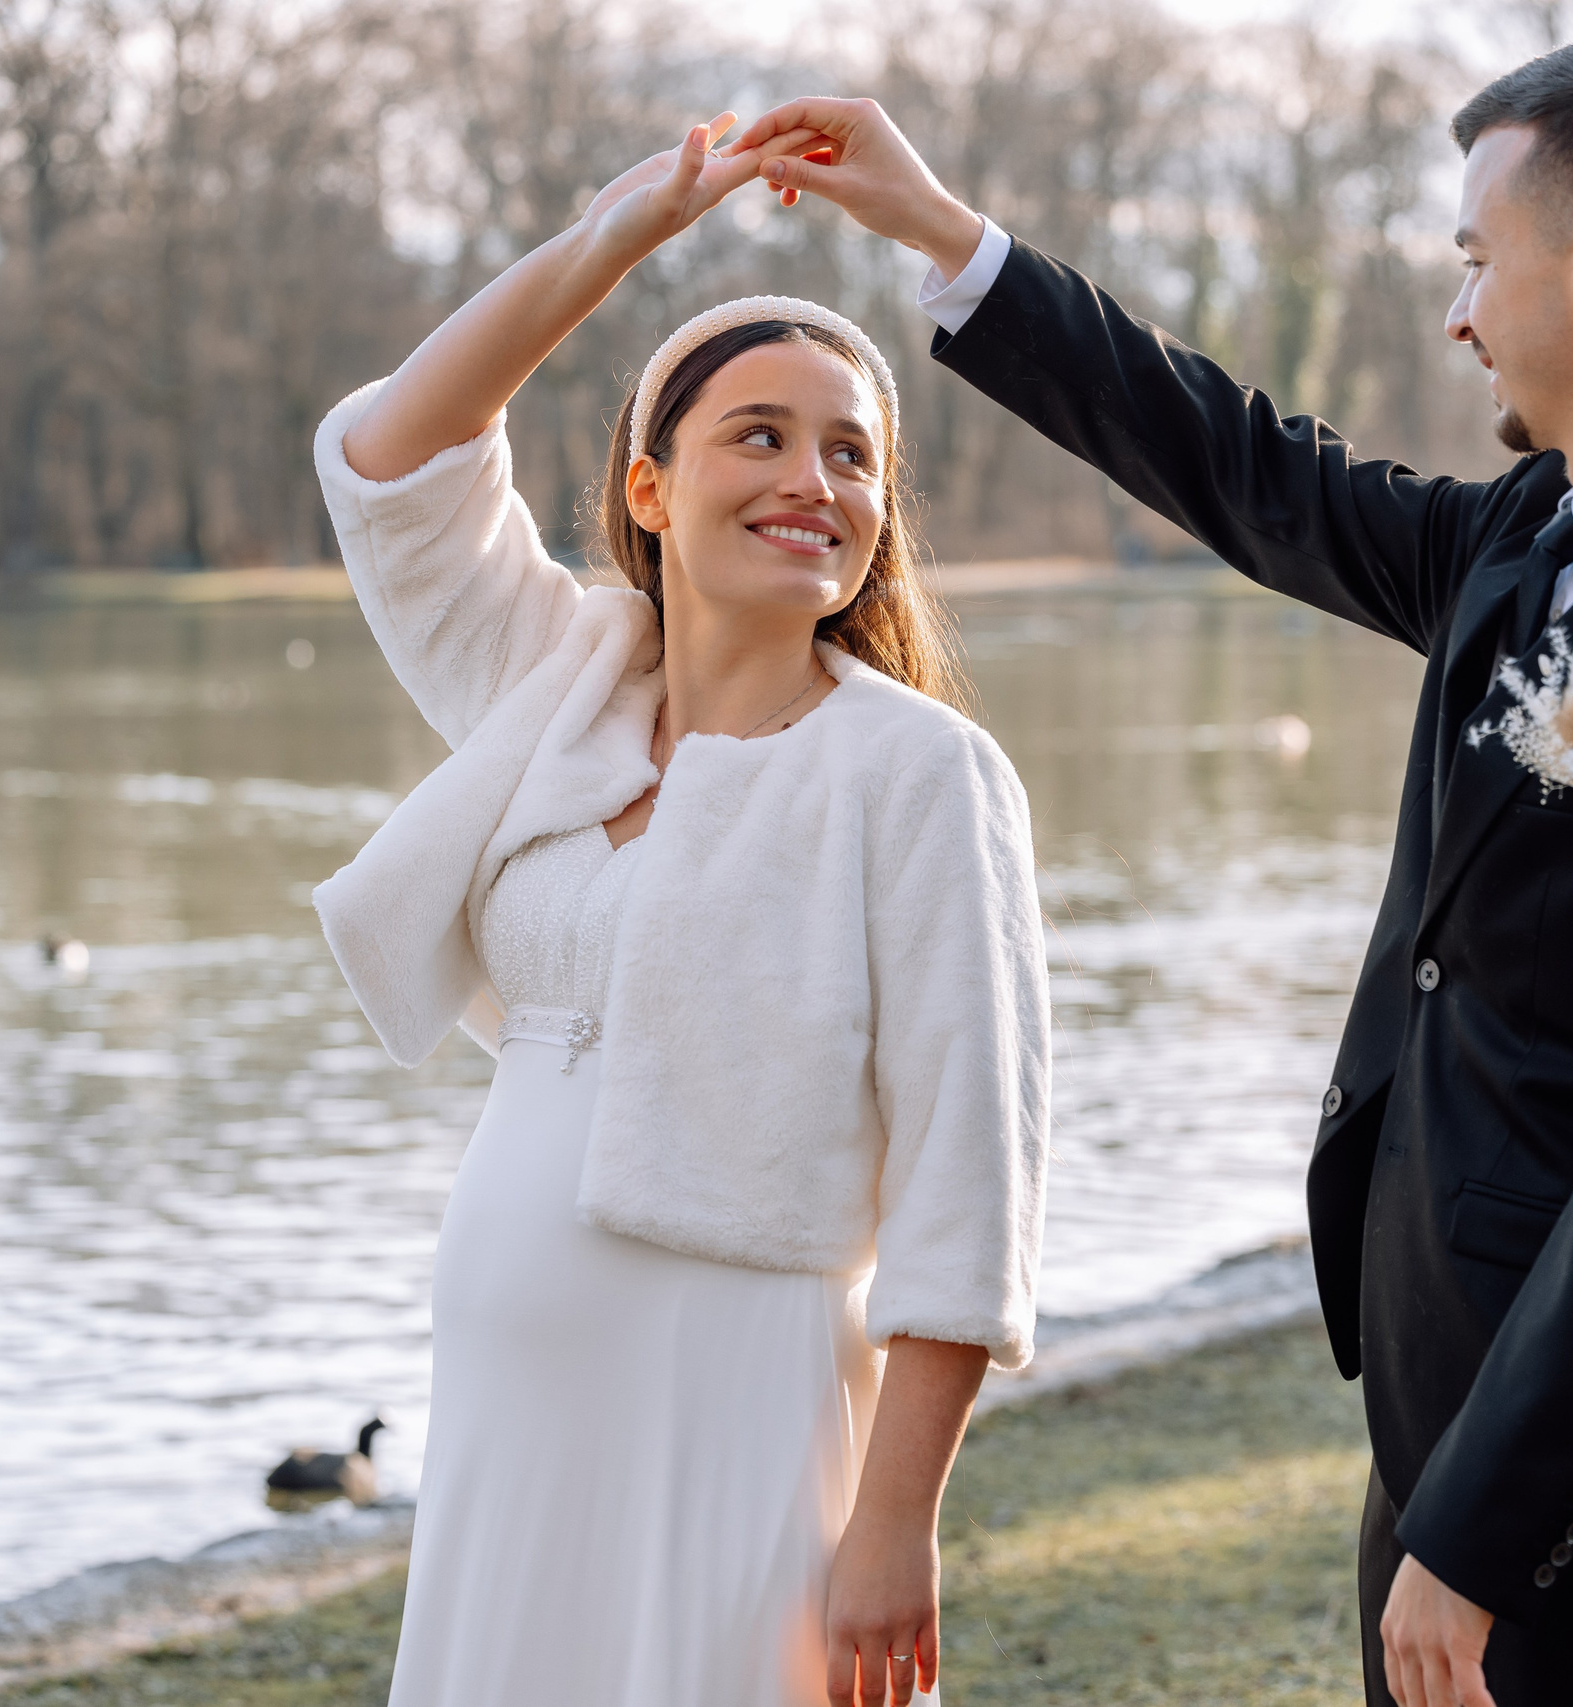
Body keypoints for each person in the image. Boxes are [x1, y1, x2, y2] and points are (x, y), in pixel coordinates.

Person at [729, 23, 1573, 1707]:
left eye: (1472, 258)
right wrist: (945, 238)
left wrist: (1486, 1531)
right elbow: (1248, 467)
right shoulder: (1530, 536)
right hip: (1446, 1411)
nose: (1456, 310)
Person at [307, 113, 1050, 1707]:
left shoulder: (921, 774)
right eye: (760, 437)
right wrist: (612, 245)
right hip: (514, 1397)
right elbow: (387, 466)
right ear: (650, 486)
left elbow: (965, 1185)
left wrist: (894, 1523)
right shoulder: (558, 682)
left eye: (854, 452)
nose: (814, 481)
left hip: (745, 1395)